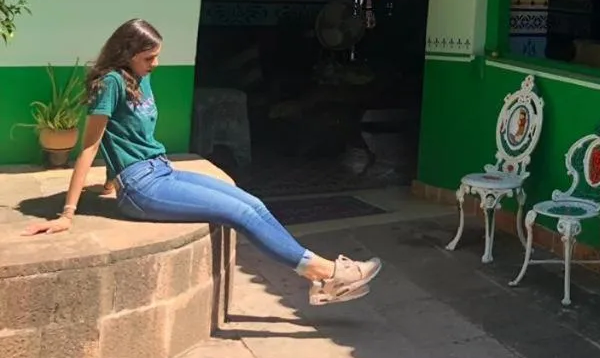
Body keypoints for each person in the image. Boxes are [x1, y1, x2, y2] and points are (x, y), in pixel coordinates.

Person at [26, 19, 380, 306]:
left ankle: (325, 277)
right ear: (127, 53)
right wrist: (67, 214)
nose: (156, 64)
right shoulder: (111, 84)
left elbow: (128, 136)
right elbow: (91, 146)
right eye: (149, 58)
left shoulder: (141, 79)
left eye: (157, 56)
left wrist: (107, 182)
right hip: (141, 188)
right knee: (238, 214)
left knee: (250, 201)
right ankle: (325, 274)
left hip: (159, 170)